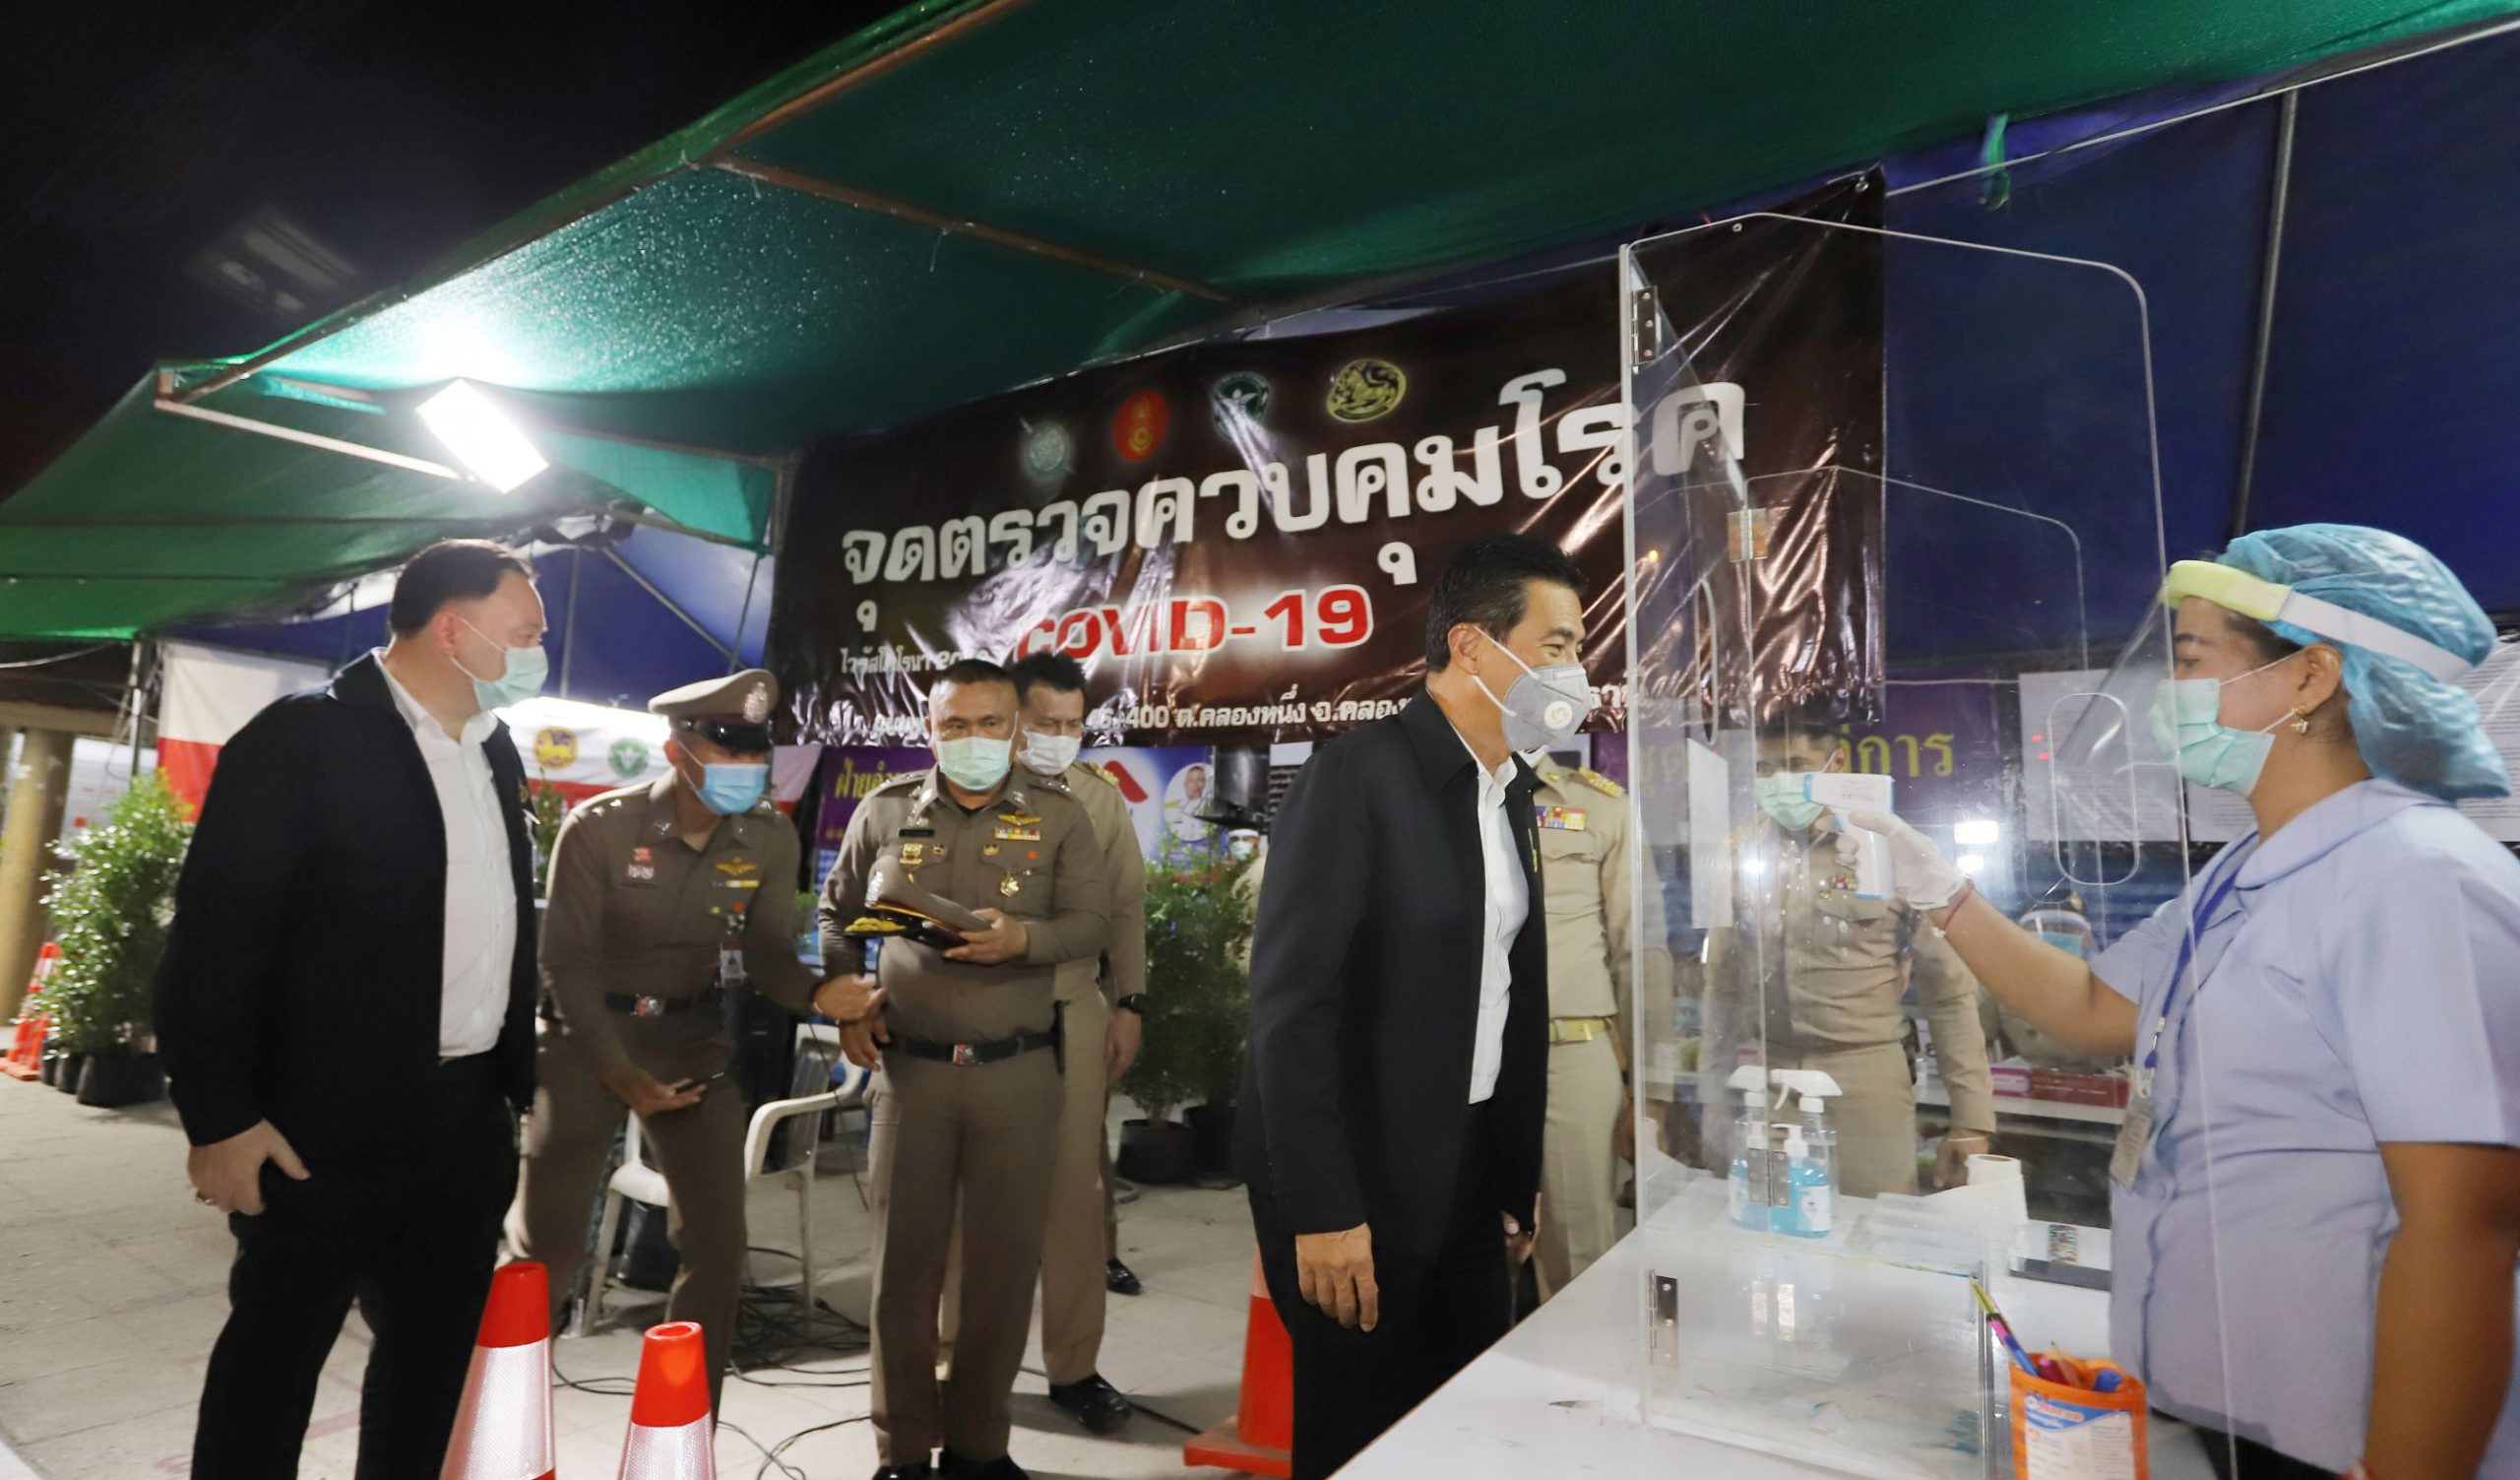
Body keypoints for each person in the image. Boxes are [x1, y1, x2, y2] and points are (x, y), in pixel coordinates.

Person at [1853, 525, 2520, 1478]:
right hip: (2223, 1409)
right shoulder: (2248, 868)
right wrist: (1942, 891)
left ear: (2309, 676)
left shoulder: (2416, 881)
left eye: (2194, 657)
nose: (2172, 689)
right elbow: (2090, 1006)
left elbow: (2465, 1224)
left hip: (2341, 1437)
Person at [157, 540, 546, 1479]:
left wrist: (502, 1099)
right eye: (527, 633)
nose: (538, 653)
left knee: (429, 1373)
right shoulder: (304, 739)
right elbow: (214, 940)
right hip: (315, 1125)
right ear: (452, 630)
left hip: (460, 1125)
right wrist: (219, 1119)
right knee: (271, 1367)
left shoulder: (494, 753)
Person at [1239, 533, 1587, 1478]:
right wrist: (1323, 1209)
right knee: (1360, 1438)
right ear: (1472, 645)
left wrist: (1511, 1176)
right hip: (1361, 1177)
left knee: (1463, 1432)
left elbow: (1508, 995)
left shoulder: (1510, 793)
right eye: (1556, 645)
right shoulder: (1357, 776)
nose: (1575, 670)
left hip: (1469, 1175)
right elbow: (1291, 1010)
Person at [507, 668, 870, 1406]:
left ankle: (680, 1428)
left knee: (717, 1243)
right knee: (548, 1248)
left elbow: (767, 951)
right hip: (585, 1041)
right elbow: (564, 962)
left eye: (756, 751)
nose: (746, 765)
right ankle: (501, 1417)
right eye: (728, 748)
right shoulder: (602, 827)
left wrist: (819, 994)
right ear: (679, 750)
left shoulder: (767, 835)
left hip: (690, 1039)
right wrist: (618, 1072)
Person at [820, 658, 1110, 1480]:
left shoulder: (1059, 816)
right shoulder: (885, 810)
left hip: (1018, 1073)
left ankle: (981, 1447)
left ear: (1015, 729)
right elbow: (839, 914)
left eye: (990, 723)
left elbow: (1092, 920)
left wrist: (1024, 939)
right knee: (903, 1272)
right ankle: (904, 1450)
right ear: (931, 728)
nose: (973, 738)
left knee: (1002, 1271)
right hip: (910, 1076)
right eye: (955, 724)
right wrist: (848, 998)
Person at [937, 651, 1148, 1435]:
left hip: (1069, 1010)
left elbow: (1125, 910)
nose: (1061, 736)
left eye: (1073, 724)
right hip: (975, 1012)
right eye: (1046, 722)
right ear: (1012, 718)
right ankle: (952, 1360)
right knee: (965, 1195)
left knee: (1072, 1198)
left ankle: (1074, 1367)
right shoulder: (959, 794)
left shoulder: (1097, 800)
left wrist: (1129, 1003)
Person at [1698, 714, 1996, 1196]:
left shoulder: (1888, 848)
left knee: (1877, 1224)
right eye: (1765, 769)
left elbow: (1949, 994)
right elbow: (1723, 986)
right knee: (1770, 1226)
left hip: (1866, 1078)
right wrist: (1713, 1095)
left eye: (1796, 765)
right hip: (1770, 1078)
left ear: (1836, 764)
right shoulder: (1741, 854)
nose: (1779, 781)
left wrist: (1970, 1120)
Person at [1525, 750, 1670, 1300]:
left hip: (1566, 1052)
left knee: (1577, 1253)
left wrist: (1648, 1091)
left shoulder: (1600, 807)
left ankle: (1580, 1356)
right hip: (1453, 1056)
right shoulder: (1436, 796)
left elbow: (1640, 953)